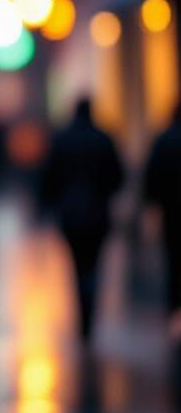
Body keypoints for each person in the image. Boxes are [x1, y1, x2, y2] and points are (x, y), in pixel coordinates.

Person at [38, 98, 124, 343]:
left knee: (76, 264)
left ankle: (82, 313)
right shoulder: (104, 139)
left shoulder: (62, 139)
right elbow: (117, 177)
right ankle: (90, 307)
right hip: (98, 215)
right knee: (94, 263)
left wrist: (47, 206)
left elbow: (49, 177)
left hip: (69, 216)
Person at [143, 104, 181, 338]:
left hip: (172, 213)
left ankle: (174, 311)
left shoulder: (164, 140)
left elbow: (152, 179)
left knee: (174, 260)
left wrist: (153, 205)